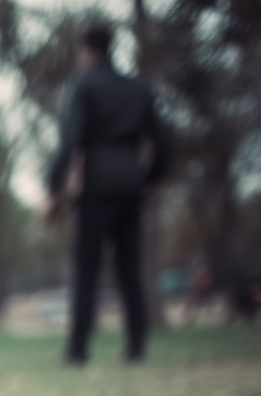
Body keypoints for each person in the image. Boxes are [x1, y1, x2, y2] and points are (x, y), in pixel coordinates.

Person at [42, 24, 171, 365]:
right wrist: (151, 179)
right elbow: (164, 141)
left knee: (87, 269)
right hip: (131, 184)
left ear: (86, 50)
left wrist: (53, 190)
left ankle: (79, 350)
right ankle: (136, 347)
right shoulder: (138, 88)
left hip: (96, 185)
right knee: (130, 268)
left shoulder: (83, 86)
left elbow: (70, 142)